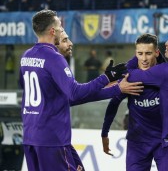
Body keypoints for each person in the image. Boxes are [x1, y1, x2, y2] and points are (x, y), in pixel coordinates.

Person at [19, 9, 143, 171]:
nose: (65, 35)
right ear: (52, 31)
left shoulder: (26, 56)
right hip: (52, 139)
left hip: (31, 137)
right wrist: (106, 77)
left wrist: (117, 89)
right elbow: (75, 93)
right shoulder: (54, 58)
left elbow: (67, 97)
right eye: (60, 27)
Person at [101, 33, 168, 171]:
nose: (144, 58)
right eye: (140, 54)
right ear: (136, 54)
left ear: (156, 53)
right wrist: (104, 133)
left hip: (163, 141)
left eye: (148, 53)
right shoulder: (129, 83)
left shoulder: (165, 75)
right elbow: (113, 104)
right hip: (137, 142)